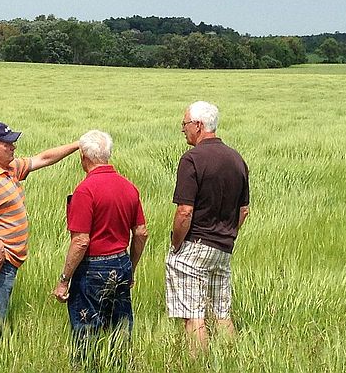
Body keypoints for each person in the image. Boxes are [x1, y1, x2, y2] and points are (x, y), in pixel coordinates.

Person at [0, 121, 79, 328]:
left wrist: (78, 144)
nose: (13, 147)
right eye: (7, 144)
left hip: (4, 257)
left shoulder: (9, 169)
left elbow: (43, 159)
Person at [52, 130, 148, 362]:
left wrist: (64, 280)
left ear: (83, 156)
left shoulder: (85, 190)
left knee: (86, 333)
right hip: (121, 262)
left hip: (92, 268)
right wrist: (131, 267)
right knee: (120, 328)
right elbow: (141, 233)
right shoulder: (129, 186)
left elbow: (81, 241)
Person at [166, 101, 250, 351]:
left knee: (194, 316)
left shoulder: (192, 159)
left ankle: (198, 365)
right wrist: (227, 235)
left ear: (198, 125)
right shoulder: (237, 159)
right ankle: (231, 360)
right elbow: (243, 211)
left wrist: (176, 243)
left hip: (195, 245)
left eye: (185, 124)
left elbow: (184, 211)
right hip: (223, 247)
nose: (183, 129)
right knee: (221, 313)